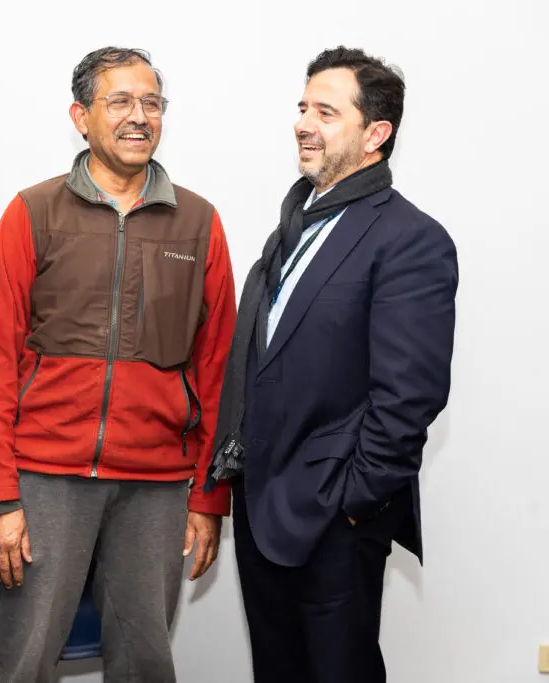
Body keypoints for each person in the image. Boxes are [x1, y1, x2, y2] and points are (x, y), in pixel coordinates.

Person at [0, 47, 237, 683]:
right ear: (81, 116)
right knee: (27, 660)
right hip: (45, 479)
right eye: (120, 102)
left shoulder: (199, 224)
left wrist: (209, 496)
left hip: (157, 487)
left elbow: (217, 369)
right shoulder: (33, 213)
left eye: (152, 103)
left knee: (145, 663)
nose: (139, 117)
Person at [206, 46, 459, 683]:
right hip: (263, 504)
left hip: (333, 518)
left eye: (325, 111)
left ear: (376, 134)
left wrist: (350, 503)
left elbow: (409, 398)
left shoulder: (410, 240)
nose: (303, 123)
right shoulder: (294, 225)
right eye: (301, 107)